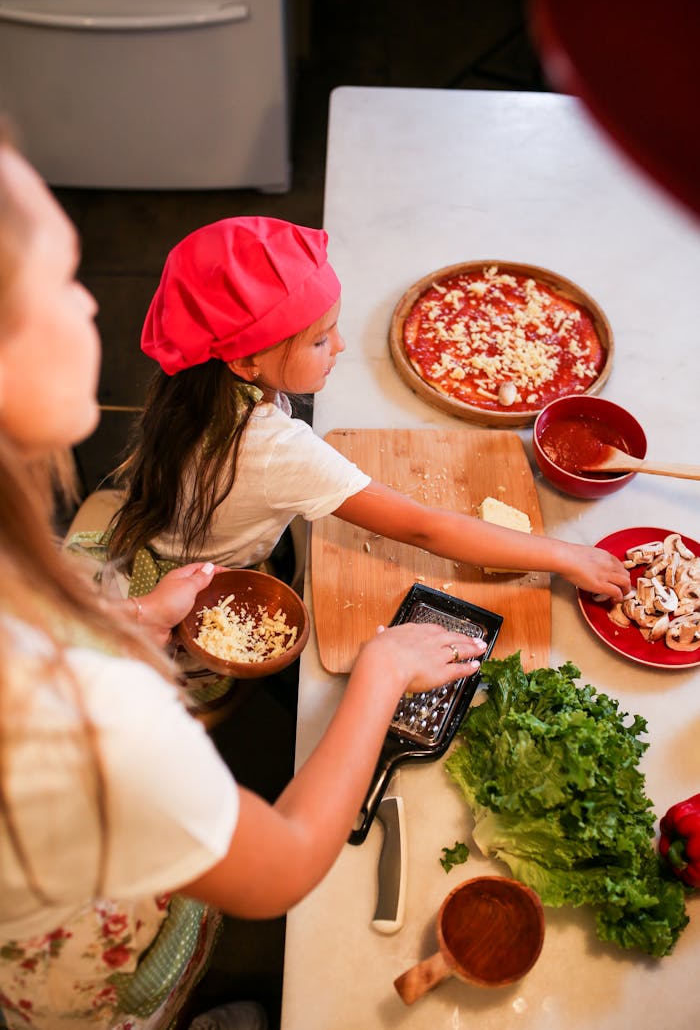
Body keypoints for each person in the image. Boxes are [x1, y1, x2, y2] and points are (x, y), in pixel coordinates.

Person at [0, 133, 489, 1030]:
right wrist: (378, 675)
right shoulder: (95, 718)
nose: (96, 302)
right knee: (136, 991)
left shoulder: (31, 593)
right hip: (62, 949)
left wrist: (141, 613)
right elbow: (282, 867)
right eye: (65, 280)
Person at [104, 217, 630, 620]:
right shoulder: (275, 451)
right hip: (200, 587)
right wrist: (566, 556)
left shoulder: (190, 383)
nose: (341, 345)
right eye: (318, 339)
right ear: (246, 362)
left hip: (156, 528)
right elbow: (426, 529)